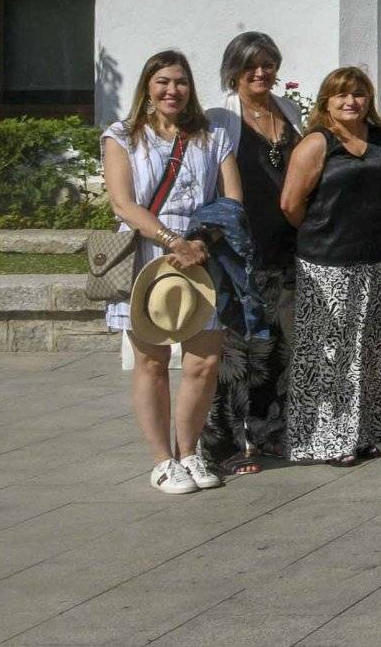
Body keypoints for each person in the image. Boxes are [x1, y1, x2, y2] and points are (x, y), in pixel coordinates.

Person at [103, 49, 238, 494]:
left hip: (202, 253)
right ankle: (162, 460)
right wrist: (171, 240)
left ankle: (189, 452)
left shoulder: (212, 135)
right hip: (149, 253)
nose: (171, 90)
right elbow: (123, 203)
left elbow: (231, 199)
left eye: (180, 82)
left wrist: (199, 240)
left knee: (204, 362)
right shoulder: (122, 136)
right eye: (162, 81)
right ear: (147, 87)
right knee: (152, 360)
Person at [280, 65, 381, 467]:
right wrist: (322, 231)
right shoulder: (317, 142)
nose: (351, 102)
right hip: (328, 262)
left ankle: (362, 433)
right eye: (341, 95)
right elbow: (291, 204)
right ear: (326, 101)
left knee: (372, 351)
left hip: (377, 259)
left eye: (359, 94)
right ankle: (327, 439)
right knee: (331, 353)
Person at [203, 31, 302, 476]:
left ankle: (269, 432)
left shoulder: (290, 110)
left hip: (287, 247)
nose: (261, 72)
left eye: (268, 63)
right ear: (234, 71)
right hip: (239, 250)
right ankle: (224, 443)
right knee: (235, 347)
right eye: (250, 66)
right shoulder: (219, 117)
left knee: (278, 346)